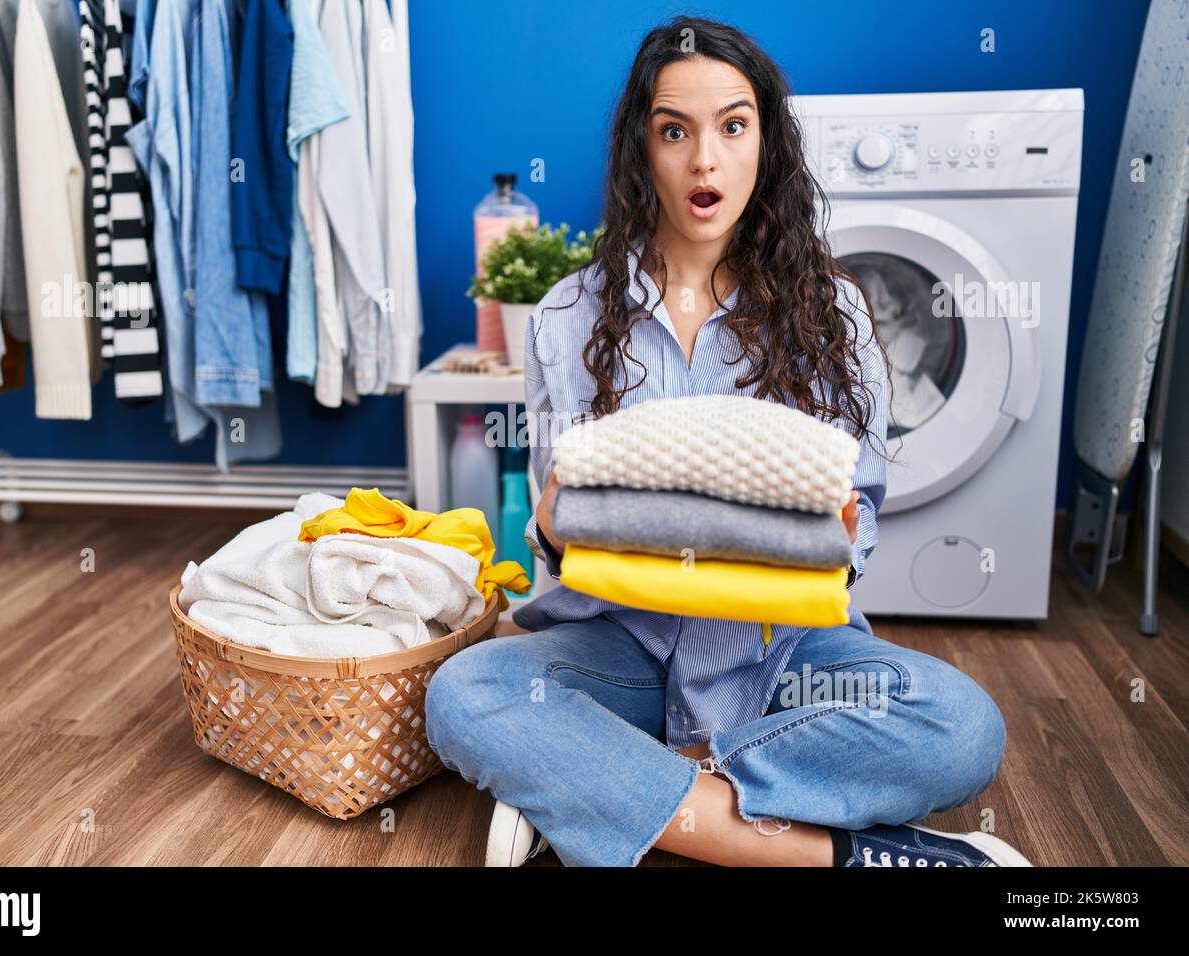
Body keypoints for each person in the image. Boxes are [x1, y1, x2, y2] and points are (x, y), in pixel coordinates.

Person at [424, 15, 1028, 868]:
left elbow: (860, 529)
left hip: (786, 659)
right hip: (621, 651)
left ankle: (606, 789)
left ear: (764, 145)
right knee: (465, 693)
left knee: (962, 726)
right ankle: (841, 856)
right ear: (643, 149)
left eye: (732, 126)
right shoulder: (566, 314)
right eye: (675, 131)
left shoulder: (834, 310)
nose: (705, 160)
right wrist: (554, 530)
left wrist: (841, 535)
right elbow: (558, 542)